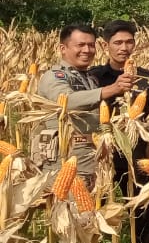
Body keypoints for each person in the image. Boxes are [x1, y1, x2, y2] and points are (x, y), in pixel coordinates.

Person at [89, 20, 149, 243]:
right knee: (98, 209)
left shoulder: (146, 78)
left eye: (129, 42)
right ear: (105, 46)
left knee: (144, 208)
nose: (124, 48)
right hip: (104, 158)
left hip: (137, 155)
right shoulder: (95, 77)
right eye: (118, 42)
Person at [37, 23, 133, 181]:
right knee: (67, 205)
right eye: (80, 45)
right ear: (63, 48)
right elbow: (66, 101)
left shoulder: (88, 78)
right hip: (65, 159)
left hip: (90, 158)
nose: (87, 50)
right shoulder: (54, 76)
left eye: (91, 45)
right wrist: (111, 89)